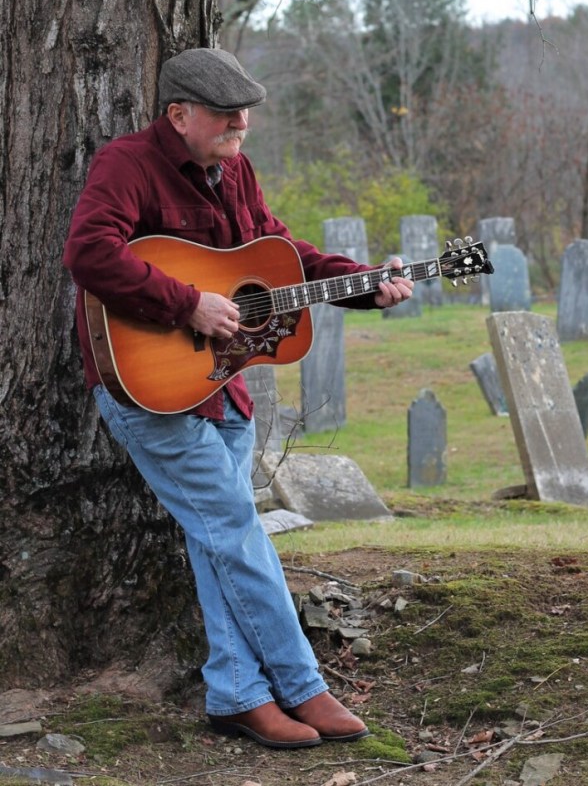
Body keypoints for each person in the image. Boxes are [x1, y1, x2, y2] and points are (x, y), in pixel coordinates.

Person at [63, 47, 414, 750]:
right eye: (227, 114)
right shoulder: (127, 166)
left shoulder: (236, 171)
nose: (241, 124)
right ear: (179, 114)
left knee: (218, 539)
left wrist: (363, 283)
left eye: (245, 113)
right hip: (151, 394)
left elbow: (278, 256)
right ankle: (302, 685)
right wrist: (186, 302)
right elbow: (89, 252)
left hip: (221, 389)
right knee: (236, 532)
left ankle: (235, 694)